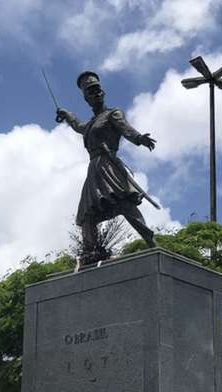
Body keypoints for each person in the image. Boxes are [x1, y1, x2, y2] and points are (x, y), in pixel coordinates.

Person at [56, 71, 157, 264]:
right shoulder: (91, 123)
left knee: (125, 204)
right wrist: (66, 114)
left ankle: (151, 241)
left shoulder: (112, 113)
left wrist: (139, 138)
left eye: (97, 89)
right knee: (87, 214)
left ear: (103, 92)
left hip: (108, 165)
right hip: (94, 170)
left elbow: (126, 129)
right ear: (86, 98)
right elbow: (78, 126)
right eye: (90, 92)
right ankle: (91, 252)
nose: (95, 94)